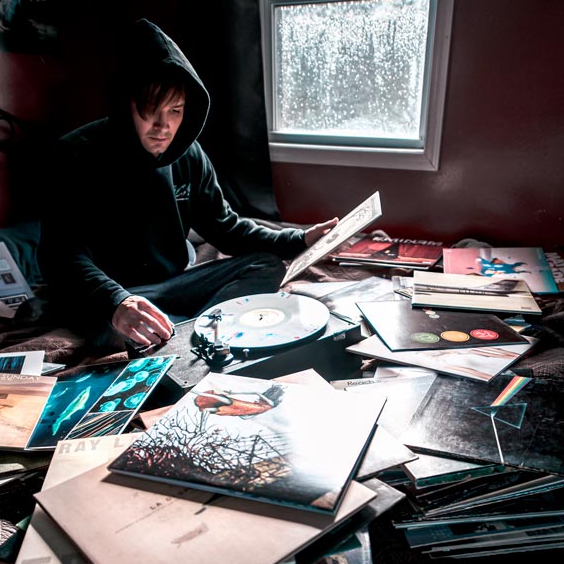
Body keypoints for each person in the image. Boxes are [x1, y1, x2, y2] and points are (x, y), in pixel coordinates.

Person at [37, 18, 338, 349]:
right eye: (150, 110)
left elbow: (227, 229)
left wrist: (299, 238)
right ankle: (163, 331)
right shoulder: (74, 155)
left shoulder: (189, 155)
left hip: (174, 283)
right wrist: (117, 303)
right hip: (116, 292)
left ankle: (188, 336)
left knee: (265, 266)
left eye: (176, 111)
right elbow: (61, 256)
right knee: (93, 326)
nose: (163, 126)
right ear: (126, 105)